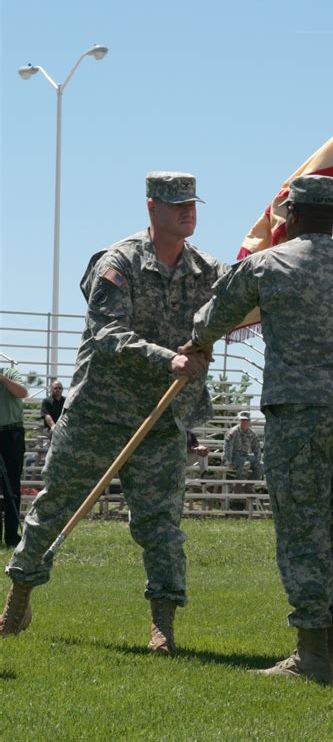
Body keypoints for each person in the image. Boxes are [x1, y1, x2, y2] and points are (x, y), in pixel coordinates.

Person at [0, 171, 227, 653]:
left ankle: (162, 624)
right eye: (176, 204)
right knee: (55, 506)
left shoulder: (207, 269)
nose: (188, 211)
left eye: (192, 203)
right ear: (152, 208)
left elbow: (242, 300)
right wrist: (171, 358)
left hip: (162, 418)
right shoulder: (118, 262)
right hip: (99, 412)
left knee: (160, 523)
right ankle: (17, 601)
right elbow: (107, 334)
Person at [181, 174, 333, 684]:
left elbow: (215, 316)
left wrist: (197, 340)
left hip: (299, 412)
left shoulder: (268, 264)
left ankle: (312, 658)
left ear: (287, 216)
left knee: (304, 532)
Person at [0, 368, 28, 548]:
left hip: (11, 434)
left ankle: (11, 536)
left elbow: (22, 392)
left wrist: (1, 379)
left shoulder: (9, 373)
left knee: (12, 486)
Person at [223, 411, 262, 480]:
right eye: (242, 420)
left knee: (260, 465)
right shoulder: (233, 432)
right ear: (239, 420)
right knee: (245, 464)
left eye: (246, 420)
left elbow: (257, 448)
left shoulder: (252, 433)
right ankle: (239, 485)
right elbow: (227, 448)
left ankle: (249, 485)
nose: (244, 422)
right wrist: (228, 461)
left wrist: (257, 460)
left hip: (245, 455)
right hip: (234, 456)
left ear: (249, 421)